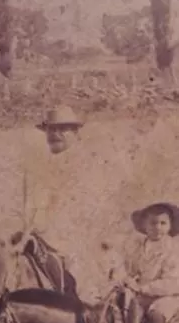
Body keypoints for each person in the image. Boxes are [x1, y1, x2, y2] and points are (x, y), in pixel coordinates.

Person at [16, 104, 131, 302]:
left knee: (86, 281)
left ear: (76, 133)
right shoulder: (36, 168)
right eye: (51, 129)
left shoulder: (91, 165)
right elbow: (30, 208)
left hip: (82, 239)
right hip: (44, 237)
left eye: (62, 129)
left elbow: (99, 208)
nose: (55, 134)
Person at [113, 202, 179, 323]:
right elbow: (126, 268)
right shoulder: (137, 247)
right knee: (117, 305)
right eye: (153, 223)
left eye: (163, 223)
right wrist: (122, 279)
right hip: (139, 292)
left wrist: (142, 287)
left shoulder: (174, 250)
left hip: (169, 295)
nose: (158, 228)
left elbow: (172, 281)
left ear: (170, 225)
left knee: (155, 314)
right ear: (144, 225)